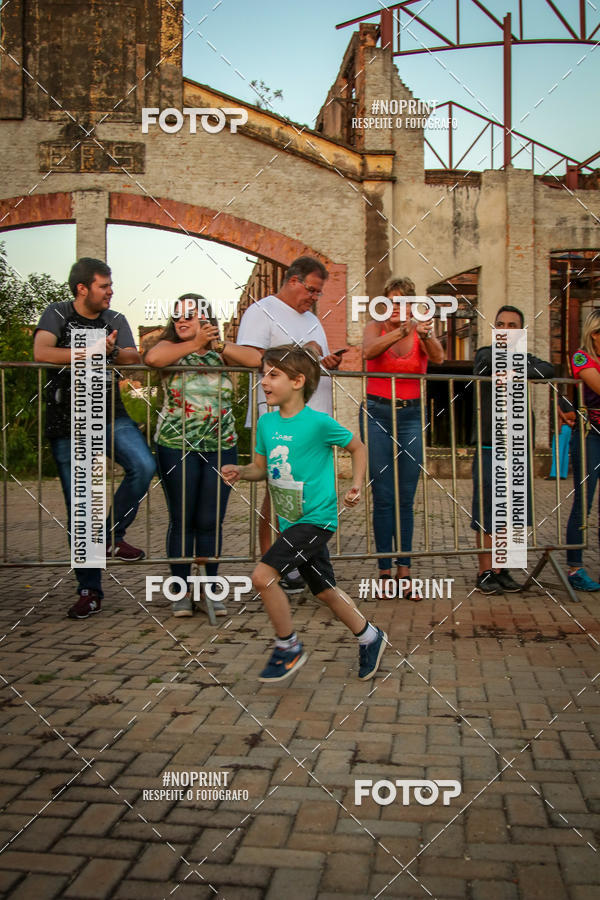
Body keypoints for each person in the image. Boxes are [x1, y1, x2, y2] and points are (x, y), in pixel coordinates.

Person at [221, 345, 386, 683]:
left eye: (273, 374)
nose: (264, 381)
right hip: (289, 522)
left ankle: (288, 646)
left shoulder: (318, 423)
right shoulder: (266, 424)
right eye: (263, 374)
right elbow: (260, 469)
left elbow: (358, 447)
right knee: (324, 590)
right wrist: (241, 471)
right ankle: (370, 636)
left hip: (316, 520)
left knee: (262, 577)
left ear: (297, 381)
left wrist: (356, 484)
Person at [33, 258, 156, 619]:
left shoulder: (115, 319)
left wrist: (114, 351)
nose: (110, 292)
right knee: (82, 508)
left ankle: (111, 535)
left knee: (144, 465)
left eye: (111, 285)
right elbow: (41, 352)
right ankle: (90, 590)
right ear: (82, 288)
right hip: (68, 423)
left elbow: (132, 357)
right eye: (104, 286)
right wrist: (90, 352)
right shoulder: (56, 313)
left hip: (111, 415)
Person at [236, 256, 344, 593]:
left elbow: (312, 365)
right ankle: (272, 567)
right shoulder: (262, 310)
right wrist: (302, 351)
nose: (314, 297)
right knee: (277, 492)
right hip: (280, 418)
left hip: (313, 418)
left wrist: (327, 362)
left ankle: (309, 570)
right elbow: (249, 357)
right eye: (311, 289)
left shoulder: (312, 319)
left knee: (307, 495)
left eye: (318, 292)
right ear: (292, 280)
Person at [145, 294, 240, 617]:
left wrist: (216, 345)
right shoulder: (169, 350)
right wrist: (193, 341)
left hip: (221, 446)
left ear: (206, 319)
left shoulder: (220, 353)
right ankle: (181, 592)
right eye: (177, 316)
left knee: (210, 521)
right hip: (176, 446)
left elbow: (257, 360)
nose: (181, 321)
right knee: (182, 519)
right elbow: (153, 359)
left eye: (190, 315)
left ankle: (211, 589)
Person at [361, 277, 444, 597]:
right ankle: (384, 573)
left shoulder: (421, 328)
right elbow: (368, 352)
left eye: (403, 302)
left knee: (406, 497)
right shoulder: (376, 327)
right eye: (392, 301)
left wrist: (425, 335)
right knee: (383, 496)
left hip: (410, 415)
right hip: (378, 412)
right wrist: (401, 330)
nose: (397, 307)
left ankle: (405, 572)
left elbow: (437, 358)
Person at [471, 305, 554, 594]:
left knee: (511, 512)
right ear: (495, 329)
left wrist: (514, 369)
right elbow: (486, 365)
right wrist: (517, 369)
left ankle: (502, 569)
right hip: (489, 444)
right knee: (487, 512)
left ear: (521, 332)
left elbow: (548, 369)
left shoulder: (525, 357)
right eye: (501, 324)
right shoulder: (484, 353)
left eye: (512, 325)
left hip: (517, 446)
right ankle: (484, 572)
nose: (506, 328)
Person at [565, 309, 600, 591]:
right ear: (593, 334)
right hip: (590, 434)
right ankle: (575, 567)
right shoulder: (581, 356)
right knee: (583, 501)